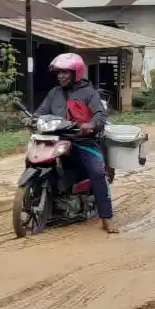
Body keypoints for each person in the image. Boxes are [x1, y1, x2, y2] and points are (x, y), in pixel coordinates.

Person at [33, 53, 115, 234]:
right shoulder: (54, 93)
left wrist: (91, 125)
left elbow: (100, 114)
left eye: (65, 72)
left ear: (76, 73)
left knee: (97, 172)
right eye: (58, 73)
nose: (60, 76)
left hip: (83, 141)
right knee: (34, 160)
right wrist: (31, 119)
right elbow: (40, 112)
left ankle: (106, 217)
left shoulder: (89, 93)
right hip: (55, 140)